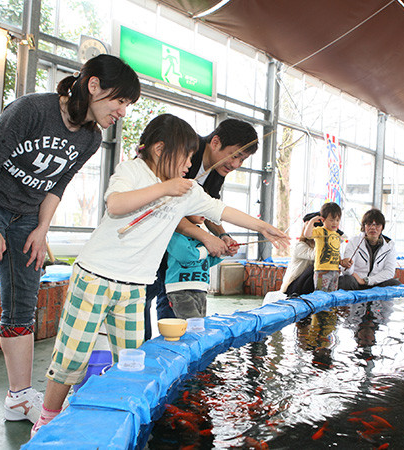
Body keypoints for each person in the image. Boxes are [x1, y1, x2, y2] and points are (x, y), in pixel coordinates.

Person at [31, 114, 288, 435]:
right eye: (186, 156)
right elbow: (116, 205)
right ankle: (48, 417)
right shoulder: (133, 171)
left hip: (135, 285)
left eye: (192, 157)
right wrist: (167, 188)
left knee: (131, 359)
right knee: (72, 355)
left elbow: (220, 211)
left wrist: (264, 226)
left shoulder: (186, 189)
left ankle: (121, 415)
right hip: (95, 276)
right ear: (158, 149)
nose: (190, 164)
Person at [0, 54, 140, 442]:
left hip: (26, 217)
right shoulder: (32, 109)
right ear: (93, 86)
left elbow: (57, 184)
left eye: (127, 105)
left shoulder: (90, 137)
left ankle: (19, 396)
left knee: (22, 304)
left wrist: (42, 229)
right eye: (120, 101)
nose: (122, 111)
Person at [144, 119, 258, 338]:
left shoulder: (217, 171)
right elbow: (166, 209)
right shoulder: (186, 153)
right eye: (234, 155)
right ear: (215, 142)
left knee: (170, 296)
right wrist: (205, 238)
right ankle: (147, 352)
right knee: (146, 297)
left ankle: (173, 350)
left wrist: (222, 235)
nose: (236, 165)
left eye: (242, 160)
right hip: (152, 241)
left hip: (174, 249)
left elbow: (210, 208)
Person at [165, 215, 222, 318]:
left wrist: (223, 252)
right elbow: (186, 255)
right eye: (198, 208)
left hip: (201, 289)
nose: (204, 213)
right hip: (180, 290)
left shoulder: (202, 235)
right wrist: (209, 249)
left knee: (198, 325)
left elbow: (206, 261)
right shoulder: (175, 233)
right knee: (193, 327)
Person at [339, 208, 400, 290]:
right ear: (364, 226)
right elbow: (347, 272)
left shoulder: (389, 245)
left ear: (382, 227)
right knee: (345, 280)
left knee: (395, 284)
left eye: (377, 225)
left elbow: (389, 271)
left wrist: (367, 281)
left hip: (375, 283)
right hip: (356, 282)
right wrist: (347, 266)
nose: (373, 228)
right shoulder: (354, 241)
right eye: (369, 224)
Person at [304, 202, 349, 292]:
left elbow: (336, 251)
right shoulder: (320, 231)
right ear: (323, 220)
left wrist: (341, 262)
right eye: (331, 220)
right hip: (322, 271)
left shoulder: (337, 235)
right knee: (321, 294)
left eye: (337, 220)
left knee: (332, 295)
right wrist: (312, 221)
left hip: (335, 271)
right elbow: (307, 234)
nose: (335, 223)